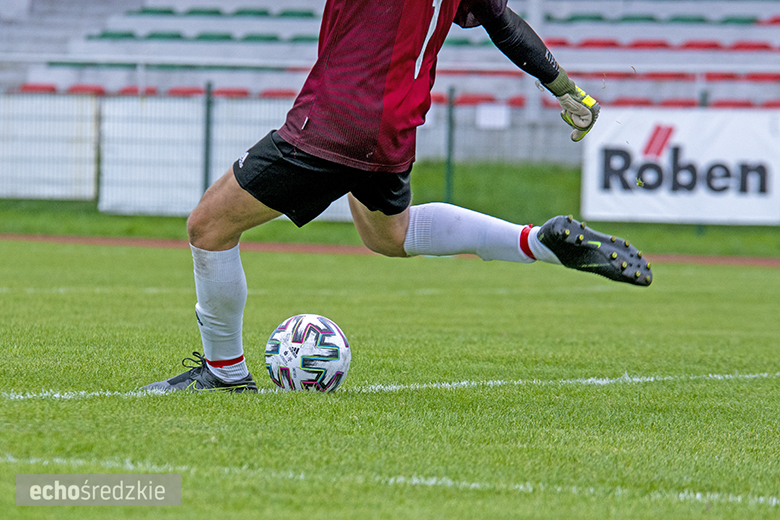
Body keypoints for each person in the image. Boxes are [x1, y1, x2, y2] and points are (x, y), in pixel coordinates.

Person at [142, 0, 652, 393]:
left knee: (208, 226)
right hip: (395, 124)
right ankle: (538, 240)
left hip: (336, 120)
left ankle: (225, 372)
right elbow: (504, 23)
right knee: (390, 234)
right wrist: (565, 86)